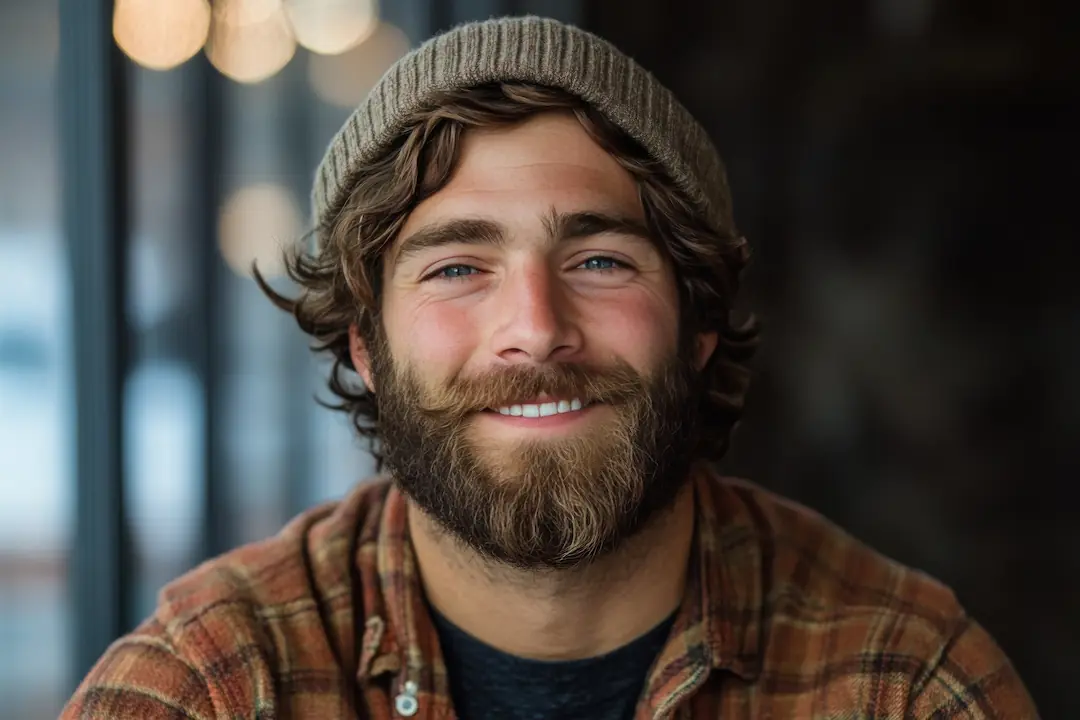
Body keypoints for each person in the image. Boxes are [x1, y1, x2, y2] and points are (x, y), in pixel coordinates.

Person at [62, 15, 1038, 720]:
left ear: (697, 321)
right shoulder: (212, 686)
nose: (535, 329)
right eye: (457, 268)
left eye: (599, 261)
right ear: (366, 345)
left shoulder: (899, 678)